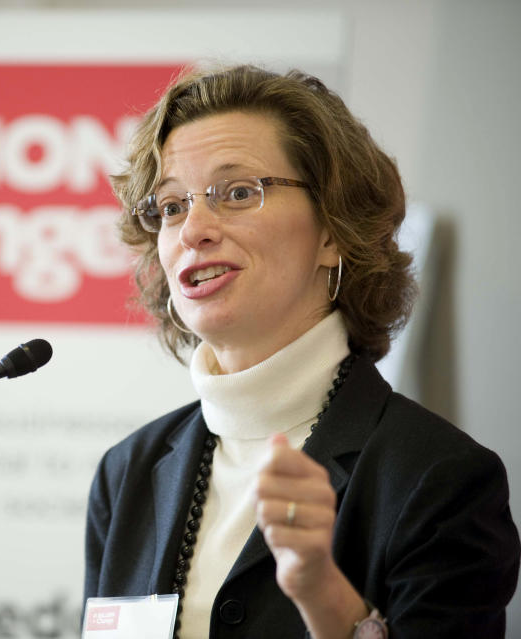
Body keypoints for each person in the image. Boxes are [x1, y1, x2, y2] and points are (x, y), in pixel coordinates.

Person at [84, 65, 520, 639]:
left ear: (332, 231)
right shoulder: (128, 473)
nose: (193, 230)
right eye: (170, 207)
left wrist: (327, 599)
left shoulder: (439, 479)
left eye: (238, 192)